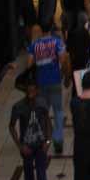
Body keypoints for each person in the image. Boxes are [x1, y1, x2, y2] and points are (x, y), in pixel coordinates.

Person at [8, 75, 53, 180]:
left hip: (40, 145)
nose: (31, 94)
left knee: (41, 175)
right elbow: (11, 126)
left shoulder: (42, 104)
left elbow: (47, 122)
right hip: (26, 145)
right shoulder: (18, 107)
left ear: (37, 91)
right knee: (28, 171)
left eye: (33, 91)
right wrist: (20, 145)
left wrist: (47, 141)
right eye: (28, 92)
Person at [27, 21, 67, 153]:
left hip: (41, 82)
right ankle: (58, 139)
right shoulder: (57, 42)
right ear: (51, 28)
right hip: (55, 80)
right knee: (58, 111)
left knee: (42, 111)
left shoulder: (34, 45)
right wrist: (59, 70)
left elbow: (29, 64)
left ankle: (42, 138)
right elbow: (62, 58)